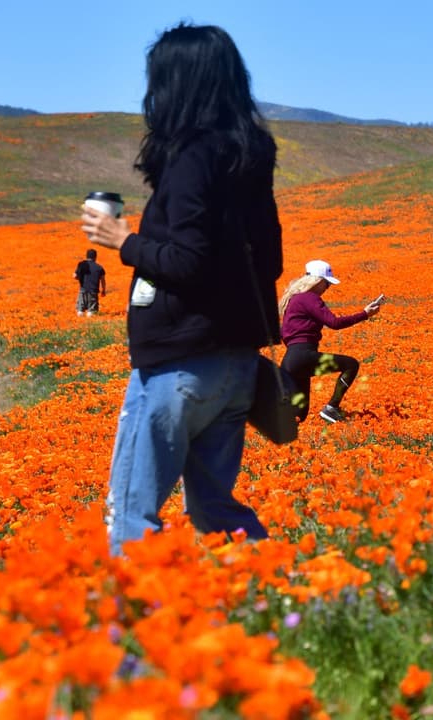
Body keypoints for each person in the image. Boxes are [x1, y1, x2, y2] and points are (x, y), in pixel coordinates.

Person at [80, 23, 284, 556]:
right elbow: (273, 259)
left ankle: (138, 630)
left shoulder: (192, 157)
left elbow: (188, 262)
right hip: (237, 366)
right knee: (214, 508)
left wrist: (123, 240)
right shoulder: (250, 157)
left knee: (131, 511)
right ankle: (279, 602)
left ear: (177, 85)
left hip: (178, 368)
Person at [278, 260, 382, 424]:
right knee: (350, 364)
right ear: (318, 281)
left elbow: (284, 332)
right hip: (303, 357)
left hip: (290, 362)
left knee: (299, 415)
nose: (328, 288)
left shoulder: (294, 300)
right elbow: (334, 323)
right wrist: (365, 314)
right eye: (327, 283)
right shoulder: (309, 298)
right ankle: (332, 407)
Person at [74, 248, 107, 316]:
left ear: (86, 256)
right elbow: (103, 280)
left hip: (83, 290)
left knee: (80, 310)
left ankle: (81, 323)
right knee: (91, 311)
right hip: (93, 291)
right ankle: (89, 320)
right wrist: (103, 290)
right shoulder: (99, 267)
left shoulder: (81, 264)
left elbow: (75, 276)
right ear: (95, 257)